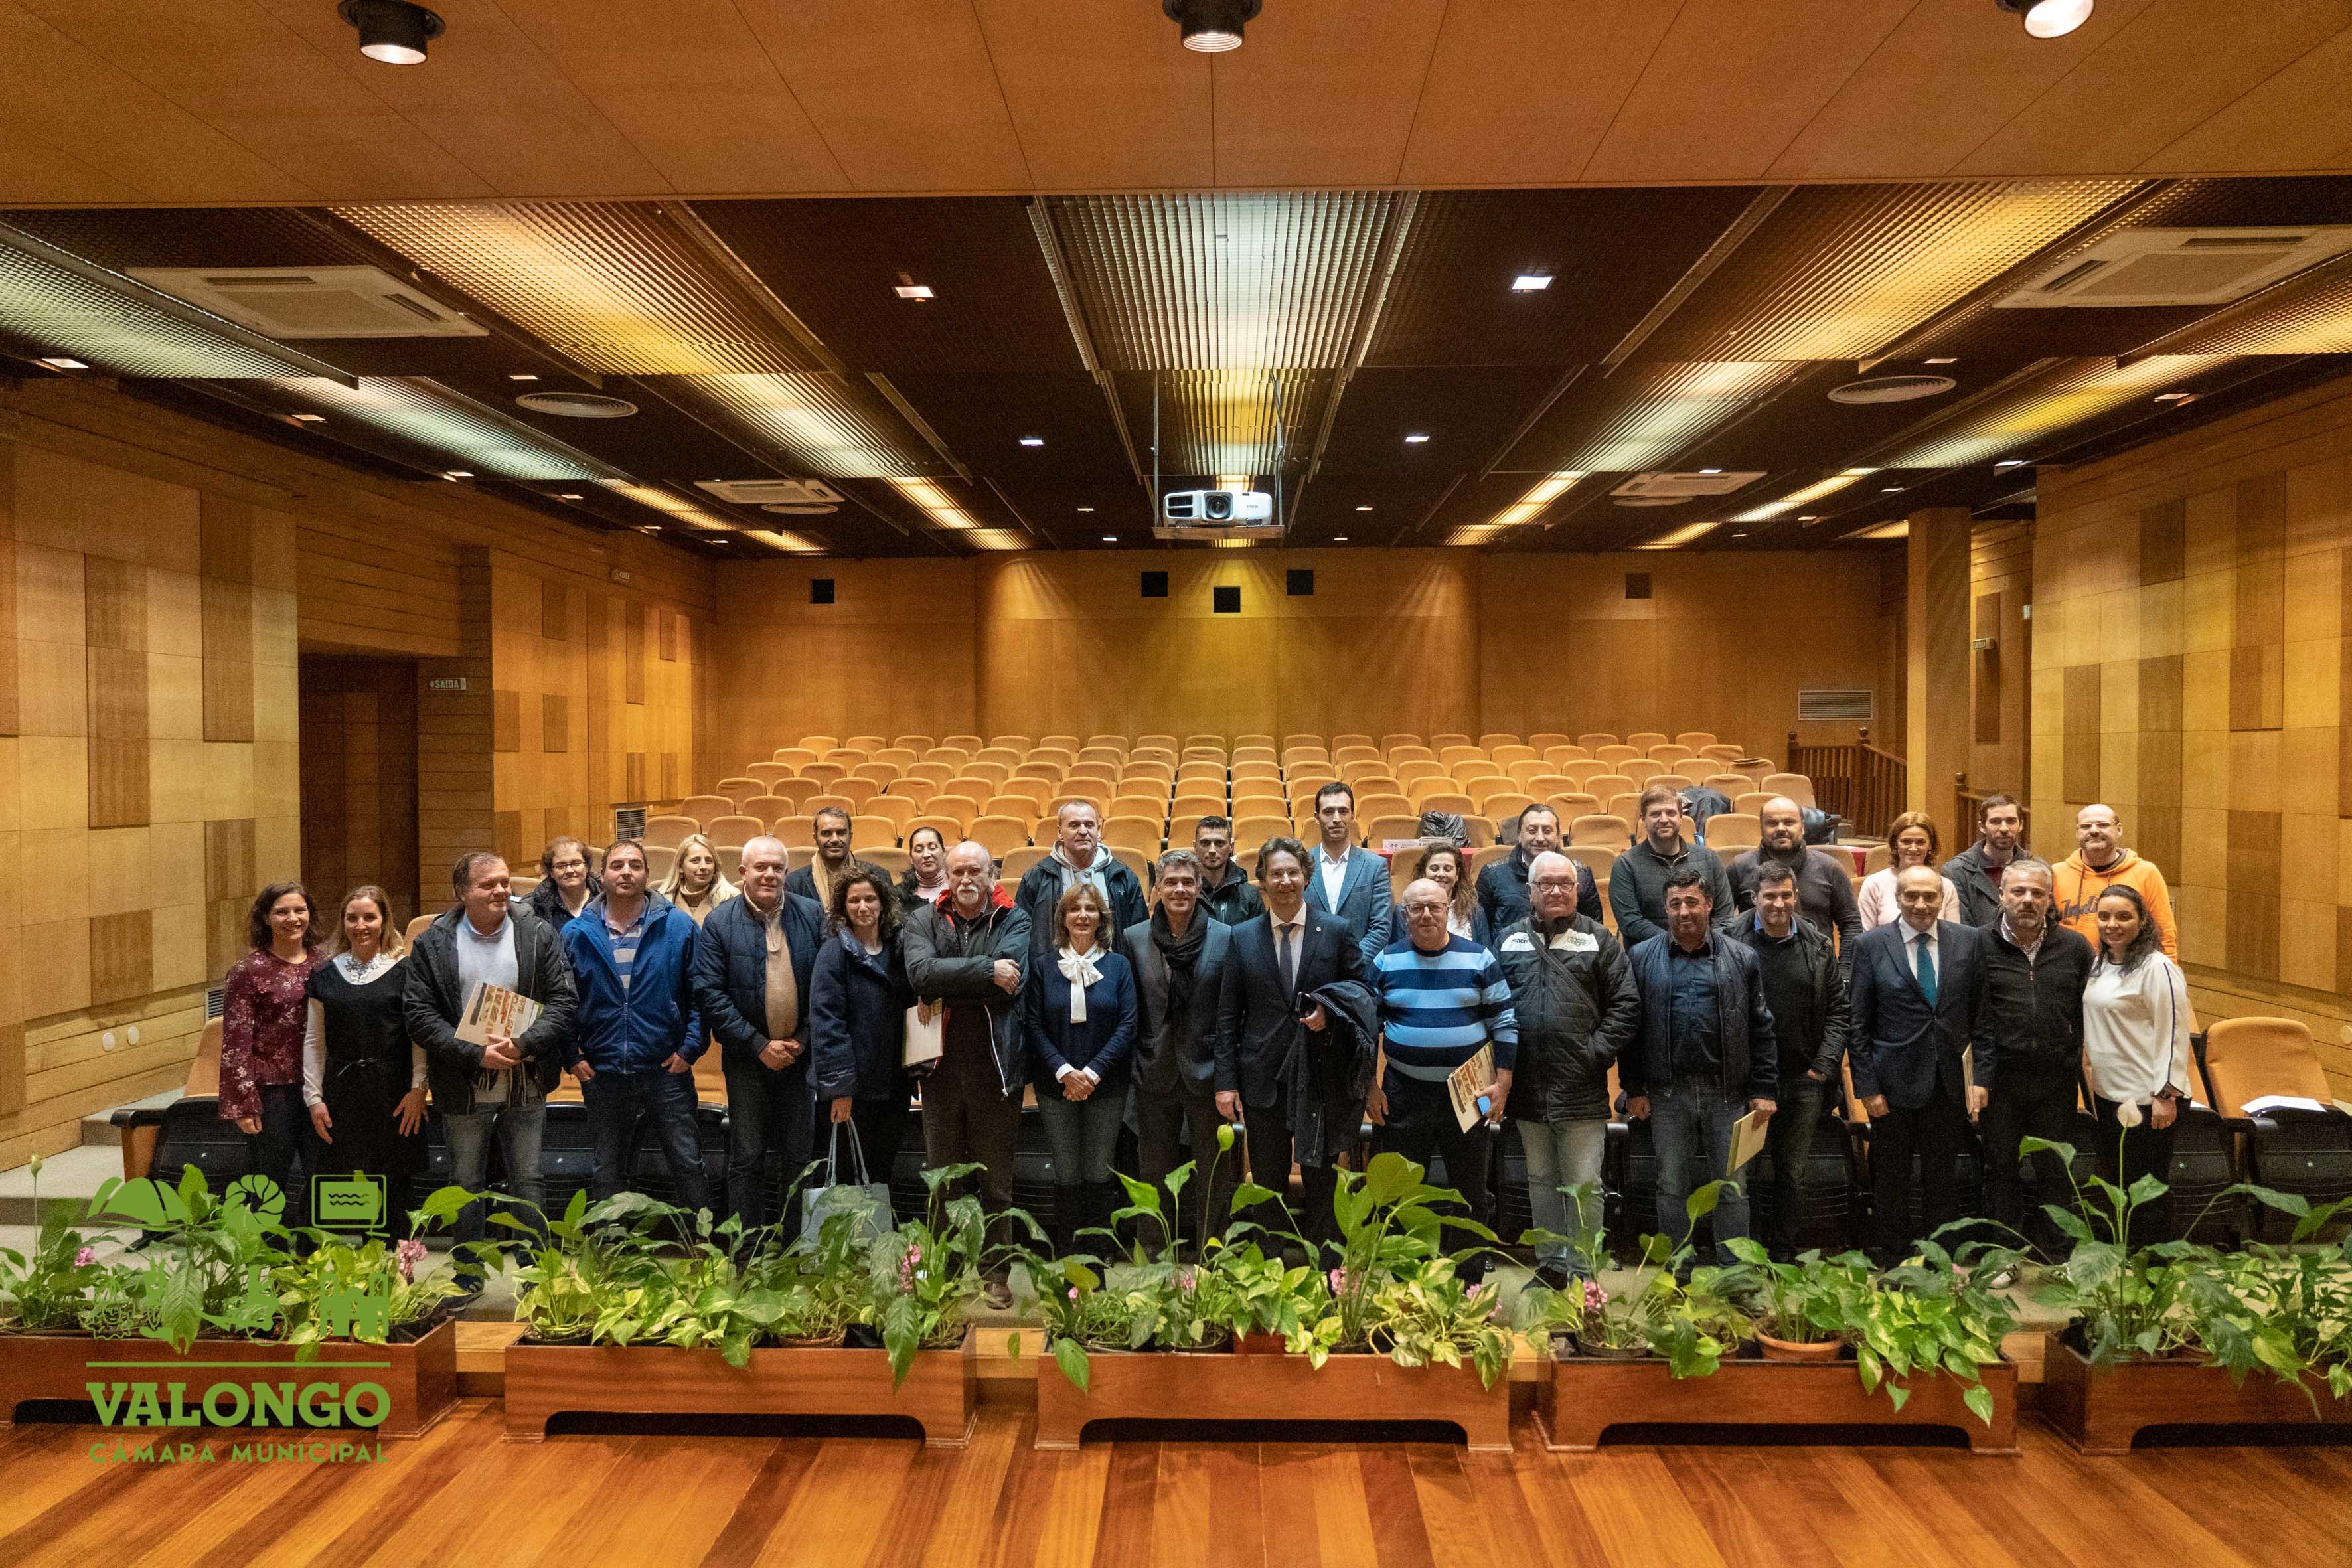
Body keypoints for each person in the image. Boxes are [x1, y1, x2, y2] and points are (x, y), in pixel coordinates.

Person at [405, 852, 577, 1285]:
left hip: (525, 1077)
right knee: (465, 1182)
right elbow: (419, 1014)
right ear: (461, 891)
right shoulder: (433, 942)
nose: (501, 890)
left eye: (504, 882)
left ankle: (536, 1276)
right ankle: (468, 1274)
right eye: (488, 884)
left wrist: (523, 1044)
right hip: (462, 1080)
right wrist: (473, 1053)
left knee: (529, 1180)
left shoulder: (537, 932)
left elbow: (564, 1000)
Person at [1619, 869, 1778, 1265]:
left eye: (1692, 902)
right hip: (1667, 1093)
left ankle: (1734, 1269)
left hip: (1728, 1093)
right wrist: (1634, 1088)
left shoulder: (1742, 957)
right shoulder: (1641, 958)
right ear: (1665, 908)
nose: (1684, 911)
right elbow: (1631, 1030)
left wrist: (1764, 1089)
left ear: (1709, 905)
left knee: (1733, 1186)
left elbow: (1761, 1028)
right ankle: (1678, 1266)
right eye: (1675, 904)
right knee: (1671, 1185)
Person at [1493, 851, 1638, 1284]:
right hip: (1526, 1087)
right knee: (1540, 1180)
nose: (1556, 890)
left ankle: (1584, 1269)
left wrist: (1593, 1053)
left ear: (1577, 890)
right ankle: (1552, 1265)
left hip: (1581, 1087)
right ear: (1530, 891)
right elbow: (1492, 1005)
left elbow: (1626, 1006)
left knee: (1584, 1184)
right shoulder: (1507, 940)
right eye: (1546, 883)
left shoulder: (1599, 939)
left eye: (1565, 883)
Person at [1214, 836, 1366, 1246]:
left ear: (1306, 877)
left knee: (1322, 1181)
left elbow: (1361, 995)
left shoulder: (1336, 931)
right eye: (1276, 873)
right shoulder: (1242, 936)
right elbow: (1228, 1017)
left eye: (1292, 872)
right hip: (1263, 1078)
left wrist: (1330, 1015)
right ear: (1262, 880)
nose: (1285, 881)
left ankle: (1326, 1267)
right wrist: (1226, 1083)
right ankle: (1270, 1267)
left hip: (1321, 1077)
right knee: (1268, 1183)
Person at [1371, 879, 1518, 1279]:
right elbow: (1367, 1029)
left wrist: (1502, 1083)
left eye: (1435, 907)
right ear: (1404, 915)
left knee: (1470, 1189)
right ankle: (1410, 1280)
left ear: (1448, 909)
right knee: (1404, 1190)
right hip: (1403, 1091)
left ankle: (1469, 1281)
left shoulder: (1479, 957)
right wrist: (1370, 1087)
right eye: (1416, 908)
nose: (1426, 915)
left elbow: (1505, 1021)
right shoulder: (1386, 961)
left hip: (1471, 1091)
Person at [903, 840, 1030, 1282]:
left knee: (996, 1183)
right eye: (957, 872)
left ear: (991, 876)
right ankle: (947, 1271)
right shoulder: (922, 919)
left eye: (975, 871)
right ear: (947, 876)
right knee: (944, 1180)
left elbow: (1010, 985)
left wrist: (947, 981)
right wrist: (987, 971)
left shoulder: (1014, 918)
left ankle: (996, 1274)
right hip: (939, 1072)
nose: (965, 879)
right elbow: (920, 974)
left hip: (995, 1070)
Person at [1849, 865, 1991, 1262]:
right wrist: (1868, 1088)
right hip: (1891, 1086)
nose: (1921, 904)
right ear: (1897, 898)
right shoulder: (1870, 945)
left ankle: (1940, 1257)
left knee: (1942, 1177)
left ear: (1943, 899)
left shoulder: (1969, 942)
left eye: (1930, 895)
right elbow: (1858, 1025)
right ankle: (1894, 1256)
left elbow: (1982, 1019)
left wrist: (1980, 1078)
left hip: (1948, 1084)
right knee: (1891, 1178)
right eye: (1911, 895)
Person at [562, 840, 710, 1212]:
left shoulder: (679, 927)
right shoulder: (576, 933)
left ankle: (703, 1243)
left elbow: (700, 994)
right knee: (609, 1170)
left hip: (666, 1069)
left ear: (647, 874)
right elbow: (561, 1002)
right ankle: (611, 1243)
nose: (626, 872)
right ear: (602, 876)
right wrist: (571, 1055)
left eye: (634, 865)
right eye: (617, 865)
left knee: (688, 1165)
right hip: (603, 1071)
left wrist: (690, 1048)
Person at [690, 836, 825, 1235]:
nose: (769, 874)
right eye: (761, 867)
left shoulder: (812, 914)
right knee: (747, 1157)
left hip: (800, 1058)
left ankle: (795, 1245)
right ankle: (747, 1249)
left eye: (777, 868)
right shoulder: (720, 922)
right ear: (742, 872)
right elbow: (710, 994)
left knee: (799, 1157)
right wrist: (759, 1045)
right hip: (747, 1059)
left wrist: (804, 1039)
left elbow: (826, 987)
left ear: (786, 872)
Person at [1976, 856, 2094, 1265]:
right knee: (2001, 1169)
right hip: (2001, 1079)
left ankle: (2058, 1256)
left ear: (2049, 899)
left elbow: (2088, 1011)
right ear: (2002, 895)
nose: (2027, 900)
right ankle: (2005, 1256)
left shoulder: (2075, 947)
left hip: (2056, 1079)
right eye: (2018, 891)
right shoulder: (1978, 944)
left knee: (2055, 1169)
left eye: (2037, 893)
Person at [1737, 859, 1853, 1260]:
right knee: (1746, 1174)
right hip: (1748, 1082)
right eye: (1769, 896)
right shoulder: (1730, 941)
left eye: (1786, 895)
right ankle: (1748, 1255)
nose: (1779, 904)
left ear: (1796, 896)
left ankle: (1785, 1253)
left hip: (1804, 1080)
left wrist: (1823, 1066)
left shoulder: (1818, 944)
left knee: (1792, 1175)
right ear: (1753, 898)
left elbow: (1839, 1011)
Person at [1123, 848, 1236, 1255]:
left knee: (1214, 1171)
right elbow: (1130, 1009)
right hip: (1153, 1070)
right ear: (1157, 888)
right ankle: (1154, 1253)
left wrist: (1227, 1076)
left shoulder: (1225, 936)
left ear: (1200, 887)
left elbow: (1230, 1012)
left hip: (1208, 1072)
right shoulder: (1134, 937)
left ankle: (1211, 1255)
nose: (1179, 889)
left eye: (1188, 882)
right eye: (1170, 882)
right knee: (1154, 1170)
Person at [1024, 883, 1138, 1254]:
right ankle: (1069, 1260)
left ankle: (1098, 1261)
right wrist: (1064, 1072)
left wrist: (1090, 1073)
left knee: (1099, 1172)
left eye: (1091, 909)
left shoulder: (1119, 966)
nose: (1083, 916)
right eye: (1075, 909)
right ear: (1063, 918)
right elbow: (1033, 1025)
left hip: (1106, 1086)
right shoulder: (1043, 966)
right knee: (1067, 1173)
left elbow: (1128, 1025)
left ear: (1102, 919)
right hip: (1055, 1086)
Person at [304, 886, 424, 1236]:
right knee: (349, 1177)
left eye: (369, 917)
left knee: (394, 1178)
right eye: (352, 918)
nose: (360, 926)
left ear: (384, 920)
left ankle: (397, 1260)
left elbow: (418, 1038)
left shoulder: (406, 971)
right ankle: (361, 1257)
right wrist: (314, 1098)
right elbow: (314, 1042)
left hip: (393, 1090)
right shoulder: (325, 974)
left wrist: (418, 1089)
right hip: (342, 1091)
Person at [2082, 884, 2193, 1243]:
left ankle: (2155, 1262)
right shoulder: (2101, 963)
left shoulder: (2158, 967)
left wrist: (2166, 1094)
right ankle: (2125, 1256)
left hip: (2150, 1098)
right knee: (2120, 1183)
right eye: (2104, 917)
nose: (2112, 924)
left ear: (2143, 920)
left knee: (2149, 1187)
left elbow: (2174, 1032)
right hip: (2110, 1094)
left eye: (2123, 917)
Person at [809, 862, 915, 1202]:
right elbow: (827, 1025)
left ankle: (879, 1232)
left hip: (893, 1085)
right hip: (853, 1091)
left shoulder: (899, 950)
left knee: (882, 1172)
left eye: (870, 899)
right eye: (854, 901)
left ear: (883, 903)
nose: (863, 907)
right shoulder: (833, 953)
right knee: (849, 1175)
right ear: (843, 907)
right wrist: (841, 1091)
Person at [220, 882, 323, 1226]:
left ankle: (313, 1250)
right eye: (282, 912)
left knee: (322, 1174)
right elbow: (236, 1043)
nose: (293, 918)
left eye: (300, 910)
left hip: (319, 1088)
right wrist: (244, 1102)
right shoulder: (247, 972)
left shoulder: (325, 964)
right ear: (265, 918)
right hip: (271, 1092)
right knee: (269, 1181)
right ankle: (268, 1254)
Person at [1729, 796, 1863, 969]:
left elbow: (1851, 925)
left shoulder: (1830, 868)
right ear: (1761, 828)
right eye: (1772, 823)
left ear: (1803, 827)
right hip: (1754, 971)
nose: (1781, 829)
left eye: (1789, 822)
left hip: (1818, 972)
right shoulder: (1739, 867)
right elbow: (1723, 924)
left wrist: (1845, 972)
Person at [1014, 801, 1147, 970]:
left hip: (1111, 974)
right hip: (1052, 975)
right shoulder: (1037, 878)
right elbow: (1020, 934)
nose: (1083, 831)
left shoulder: (1123, 877)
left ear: (1099, 831)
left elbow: (1140, 936)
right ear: (1060, 832)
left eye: (1089, 825)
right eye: (1074, 825)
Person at [1610, 786, 1737, 948]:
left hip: (1708, 953)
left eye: (1670, 813)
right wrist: (1676, 946)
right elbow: (1631, 923)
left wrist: (1703, 946)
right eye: (1655, 814)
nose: (1664, 820)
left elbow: (1724, 917)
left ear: (1681, 817)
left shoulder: (1710, 858)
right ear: (1643, 820)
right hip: (1652, 955)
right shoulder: (1625, 864)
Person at [2053, 803, 2179, 959]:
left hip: (2129, 968)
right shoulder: (2057, 873)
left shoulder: (2146, 873)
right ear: (2077, 833)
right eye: (2086, 826)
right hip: (2072, 967)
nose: (2094, 831)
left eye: (2103, 825)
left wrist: (2169, 969)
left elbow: (2165, 932)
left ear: (2119, 830)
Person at [1304, 782, 1394, 972]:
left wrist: (1351, 963)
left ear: (1352, 816)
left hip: (1359, 973)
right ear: (1317, 817)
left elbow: (1381, 928)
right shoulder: (1302, 865)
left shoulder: (1375, 866)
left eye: (1343, 811)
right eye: (1329, 812)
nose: (1337, 818)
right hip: (1310, 972)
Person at [1476, 804, 1602, 930]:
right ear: (1519, 835)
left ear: (1558, 836)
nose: (1540, 838)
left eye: (1547, 831)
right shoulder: (1492, 874)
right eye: (1532, 831)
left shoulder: (1581, 875)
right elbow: (1480, 930)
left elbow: (1594, 929)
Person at [1858, 811, 1962, 930]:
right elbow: (1865, 936)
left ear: (1930, 845)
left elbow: (1954, 934)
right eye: (1906, 842)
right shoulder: (1874, 884)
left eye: (1920, 842)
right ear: (1895, 844)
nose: (1913, 848)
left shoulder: (1946, 886)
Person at [1943, 794, 2025, 929]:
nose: (2004, 829)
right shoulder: (1957, 871)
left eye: (2011, 821)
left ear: (2021, 825)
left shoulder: (2037, 868)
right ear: (1982, 827)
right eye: (1996, 822)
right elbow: (1963, 931)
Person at [1411, 841, 1492, 947]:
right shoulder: (1405, 911)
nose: (1441, 874)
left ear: (1457, 874)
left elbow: (1485, 954)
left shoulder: (1475, 912)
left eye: (1448, 869)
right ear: (1424, 873)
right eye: (1434, 869)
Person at [1194, 815, 1265, 927]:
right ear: (1195, 846)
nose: (1212, 850)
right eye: (1205, 843)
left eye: (1219, 843)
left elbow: (1257, 936)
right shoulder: (1184, 891)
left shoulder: (1250, 895)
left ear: (1231, 847)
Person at [785, 807, 856, 911]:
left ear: (851, 837)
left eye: (841, 833)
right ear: (815, 839)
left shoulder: (877, 877)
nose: (835, 840)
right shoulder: (793, 883)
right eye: (826, 834)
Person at [659, 832, 738, 925]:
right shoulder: (663, 901)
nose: (704, 866)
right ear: (681, 867)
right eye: (695, 861)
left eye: (709, 861)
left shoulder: (731, 899)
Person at [522, 835, 597, 927]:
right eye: (561, 866)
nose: (569, 871)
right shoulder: (534, 906)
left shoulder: (606, 897)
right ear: (551, 872)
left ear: (587, 867)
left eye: (576, 863)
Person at [897, 824, 951, 910]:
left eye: (932, 848)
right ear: (911, 858)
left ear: (944, 853)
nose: (926, 855)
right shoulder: (899, 895)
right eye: (919, 850)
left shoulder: (959, 887)